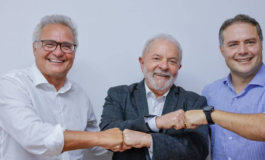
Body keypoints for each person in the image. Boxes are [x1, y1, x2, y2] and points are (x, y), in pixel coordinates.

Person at [0, 14, 123, 160]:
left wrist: (142, 137)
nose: (58, 52)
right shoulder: (12, 84)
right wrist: (102, 138)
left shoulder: (80, 94)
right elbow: (34, 137)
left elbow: (97, 146)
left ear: (74, 52)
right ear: (35, 48)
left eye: (66, 46)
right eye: (49, 44)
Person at [184, 14, 265, 160]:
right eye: (233, 44)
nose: (243, 51)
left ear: (261, 45)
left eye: (250, 42)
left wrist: (210, 115)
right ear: (222, 51)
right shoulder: (210, 92)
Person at [100, 34, 209, 160]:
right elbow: (106, 137)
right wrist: (156, 122)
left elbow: (198, 150)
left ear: (178, 68)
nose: (164, 66)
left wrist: (149, 140)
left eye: (172, 61)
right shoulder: (119, 94)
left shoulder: (194, 102)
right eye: (157, 58)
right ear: (142, 63)